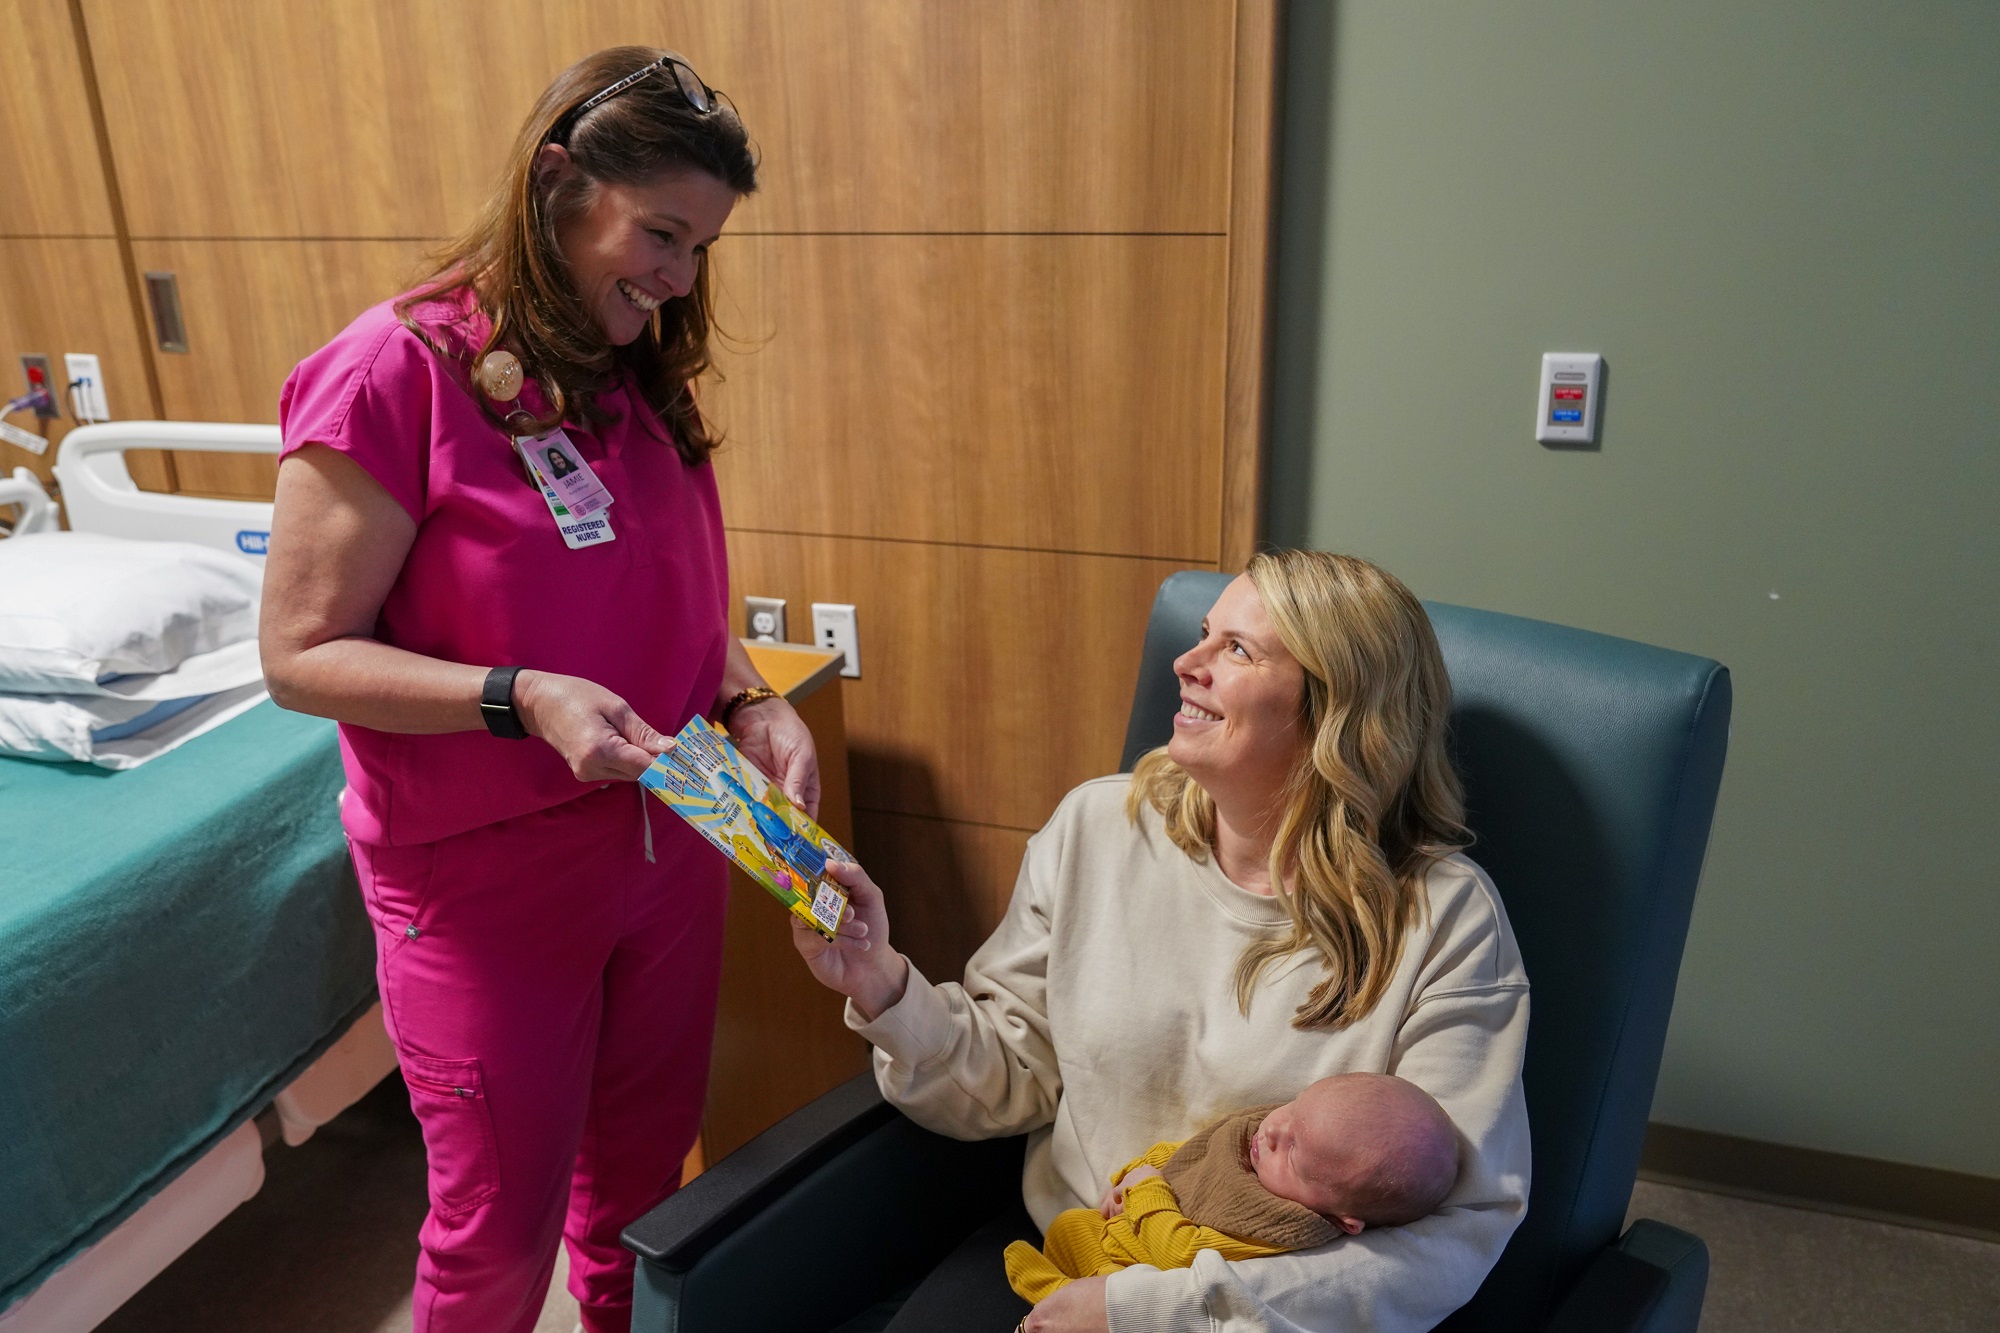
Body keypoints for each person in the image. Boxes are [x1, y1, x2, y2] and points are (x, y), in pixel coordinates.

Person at [260, 47, 817, 1333]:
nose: (677, 275)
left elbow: (659, 593)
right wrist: (521, 696)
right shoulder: (393, 373)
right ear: (557, 182)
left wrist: (748, 700)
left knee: (636, 1190)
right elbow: (299, 654)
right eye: (659, 233)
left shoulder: (630, 368)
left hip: (670, 831)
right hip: (481, 877)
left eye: (699, 247)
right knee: (496, 1232)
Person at [796, 549, 1531, 1333]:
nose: (1186, 662)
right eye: (1206, 634)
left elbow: (1454, 1233)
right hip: (1074, 1263)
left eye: (1237, 650)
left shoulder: (1446, 922)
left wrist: (1146, 1310)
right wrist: (879, 981)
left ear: (1336, 714)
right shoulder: (1097, 829)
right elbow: (1010, 1074)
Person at [1005, 1073, 1461, 1303]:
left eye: (1295, 1155)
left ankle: (1053, 1295)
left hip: (1140, 1270)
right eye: (1293, 1109)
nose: (1274, 1130)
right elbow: (1182, 1155)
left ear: (1344, 1219)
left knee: (1122, 1292)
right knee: (1068, 1227)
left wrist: (1145, 1192)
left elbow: (1182, 1255)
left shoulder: (1277, 1227)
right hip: (1117, 1226)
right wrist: (1133, 1175)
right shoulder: (1259, 1138)